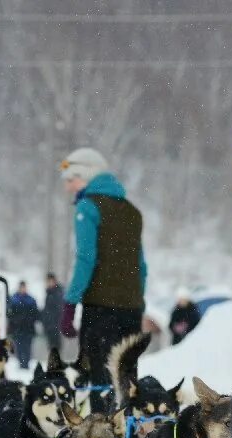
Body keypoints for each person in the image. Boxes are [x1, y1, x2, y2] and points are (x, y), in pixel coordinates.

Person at [59, 147, 147, 407]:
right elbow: (141, 266)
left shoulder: (88, 207)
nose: (68, 188)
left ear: (85, 176)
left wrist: (70, 302)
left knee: (99, 382)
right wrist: (137, 302)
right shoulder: (132, 211)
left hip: (100, 310)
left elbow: (86, 258)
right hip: (131, 309)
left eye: (70, 180)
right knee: (126, 381)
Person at [6, 281, 39, 369]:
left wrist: (27, 319)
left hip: (28, 329)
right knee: (19, 348)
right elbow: (9, 314)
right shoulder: (13, 299)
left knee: (27, 348)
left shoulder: (31, 300)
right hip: (17, 329)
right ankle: (21, 364)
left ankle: (26, 365)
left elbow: (35, 314)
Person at [41, 272, 64, 354]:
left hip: (56, 324)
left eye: (50, 281)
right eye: (47, 281)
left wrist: (54, 323)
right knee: (51, 347)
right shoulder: (49, 292)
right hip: (50, 325)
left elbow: (59, 309)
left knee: (55, 347)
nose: (49, 283)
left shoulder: (58, 292)